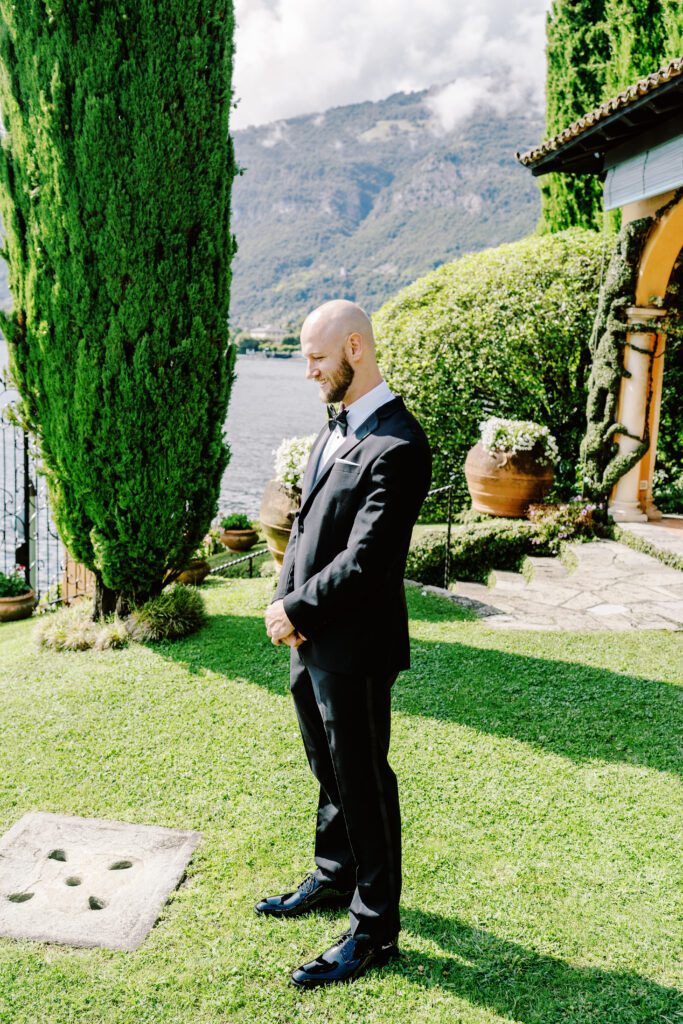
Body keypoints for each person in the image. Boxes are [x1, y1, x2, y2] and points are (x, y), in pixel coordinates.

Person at [259, 299, 432, 988]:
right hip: (308, 639)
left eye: (316, 359)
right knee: (324, 764)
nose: (308, 372)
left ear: (355, 349)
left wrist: (297, 607)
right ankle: (334, 873)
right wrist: (281, 599)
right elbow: (304, 529)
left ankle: (374, 928)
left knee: (361, 778)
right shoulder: (336, 428)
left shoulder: (400, 444)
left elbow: (369, 560)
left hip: (356, 645)